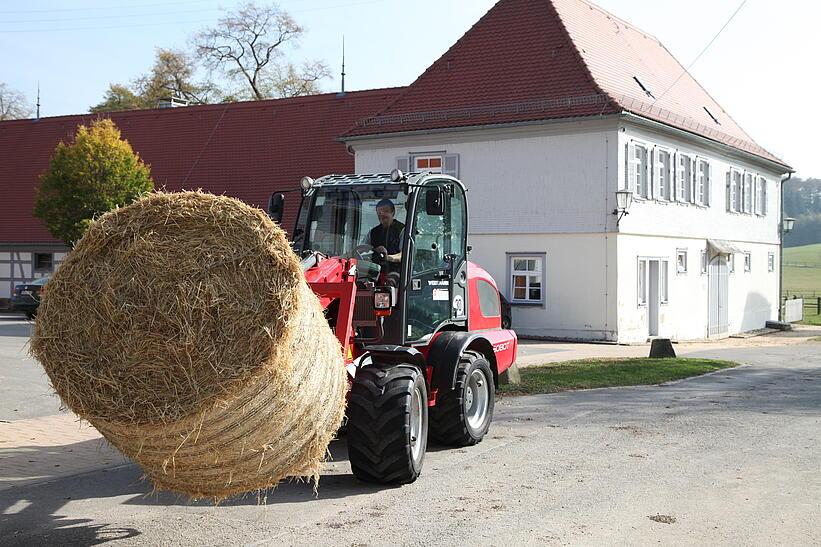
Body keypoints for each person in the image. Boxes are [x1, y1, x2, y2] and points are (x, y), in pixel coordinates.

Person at [368, 198, 404, 264]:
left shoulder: (403, 230)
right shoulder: (372, 232)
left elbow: (405, 255)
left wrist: (386, 257)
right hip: (374, 270)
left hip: (397, 272)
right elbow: (363, 248)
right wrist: (374, 250)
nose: (382, 214)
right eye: (379, 213)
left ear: (393, 213)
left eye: (386, 211)